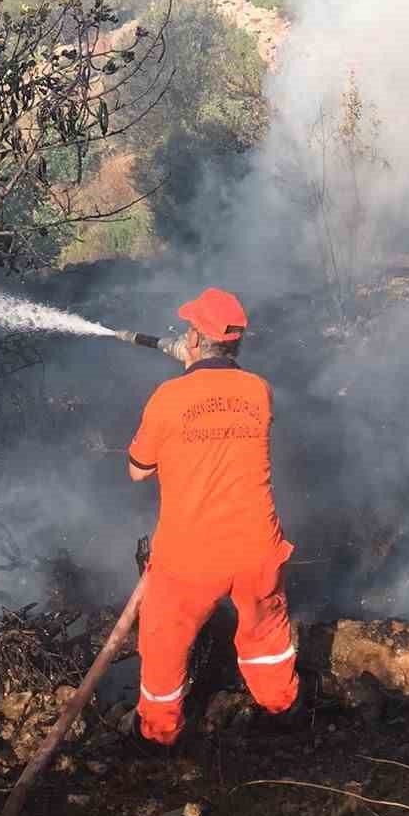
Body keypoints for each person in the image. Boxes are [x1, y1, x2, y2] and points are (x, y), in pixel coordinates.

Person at [127, 287, 298, 745]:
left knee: (163, 643)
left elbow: (138, 471)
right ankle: (281, 713)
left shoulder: (167, 397)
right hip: (257, 547)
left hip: (189, 556)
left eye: (188, 331)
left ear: (195, 340)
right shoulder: (260, 391)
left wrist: (189, 382)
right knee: (266, 633)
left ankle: (160, 735)